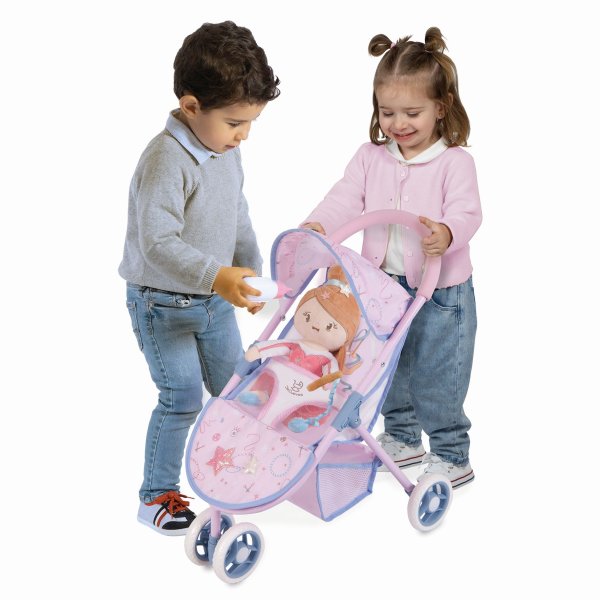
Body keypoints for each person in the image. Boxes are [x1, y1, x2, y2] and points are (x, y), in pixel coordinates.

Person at [119, 21, 280, 535]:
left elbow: (237, 214)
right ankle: (156, 496)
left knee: (234, 390)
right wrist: (217, 275)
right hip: (161, 306)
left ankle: (232, 469)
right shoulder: (165, 160)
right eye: (235, 122)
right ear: (191, 107)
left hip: (213, 304)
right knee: (182, 397)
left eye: (250, 123)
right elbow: (157, 243)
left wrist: (249, 272)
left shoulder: (226, 152)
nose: (244, 135)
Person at [301, 27, 481, 489]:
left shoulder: (454, 162)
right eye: (387, 112)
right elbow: (345, 197)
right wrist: (319, 225)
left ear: (441, 107)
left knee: (438, 372)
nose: (398, 123)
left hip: (441, 292)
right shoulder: (370, 158)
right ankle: (402, 437)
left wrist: (447, 232)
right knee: (387, 364)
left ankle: (451, 452)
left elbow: (467, 211)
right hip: (381, 286)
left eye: (412, 113)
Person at [239, 264, 361, 413]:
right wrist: (258, 350)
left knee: (305, 404)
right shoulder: (294, 345)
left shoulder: (328, 359)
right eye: (307, 316)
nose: (316, 325)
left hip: (303, 395)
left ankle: (294, 414)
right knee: (275, 382)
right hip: (281, 383)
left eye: (330, 326)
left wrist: (327, 382)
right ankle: (264, 396)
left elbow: (330, 375)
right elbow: (276, 346)